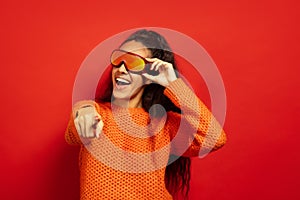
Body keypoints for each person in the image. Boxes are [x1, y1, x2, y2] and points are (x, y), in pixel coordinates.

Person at [65, 29, 226, 200]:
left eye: (133, 63)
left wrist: (173, 84)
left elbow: (214, 138)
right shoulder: (95, 113)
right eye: (119, 60)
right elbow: (78, 123)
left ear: (151, 74)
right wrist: (85, 115)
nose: (121, 69)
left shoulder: (163, 126)